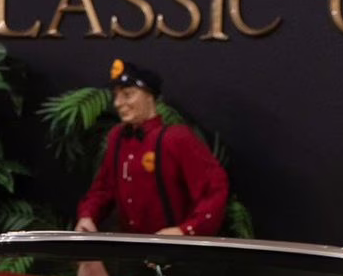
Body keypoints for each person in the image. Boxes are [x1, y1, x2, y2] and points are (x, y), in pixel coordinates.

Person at [75, 60, 228, 238]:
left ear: (149, 96)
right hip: (131, 246)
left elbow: (214, 188)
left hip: (172, 248)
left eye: (127, 94)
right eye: (116, 96)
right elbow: (104, 188)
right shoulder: (117, 138)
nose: (117, 103)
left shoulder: (177, 138)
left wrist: (186, 230)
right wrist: (88, 215)